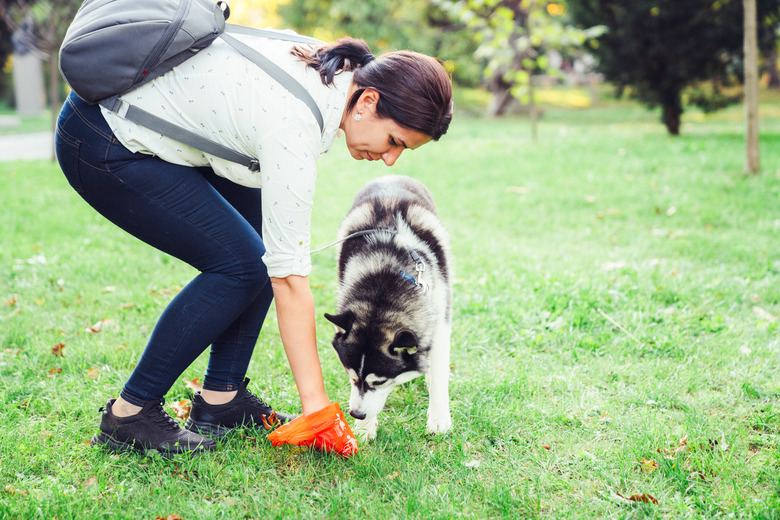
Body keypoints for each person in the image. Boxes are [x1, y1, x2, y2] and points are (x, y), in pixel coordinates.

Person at [54, 29, 453, 457]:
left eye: (403, 152)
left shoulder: (336, 73)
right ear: (369, 101)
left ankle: (220, 401)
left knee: (260, 248)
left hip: (152, 127)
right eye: (394, 140)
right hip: (102, 139)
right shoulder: (295, 125)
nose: (390, 159)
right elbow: (289, 280)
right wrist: (316, 406)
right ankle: (129, 415)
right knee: (242, 266)